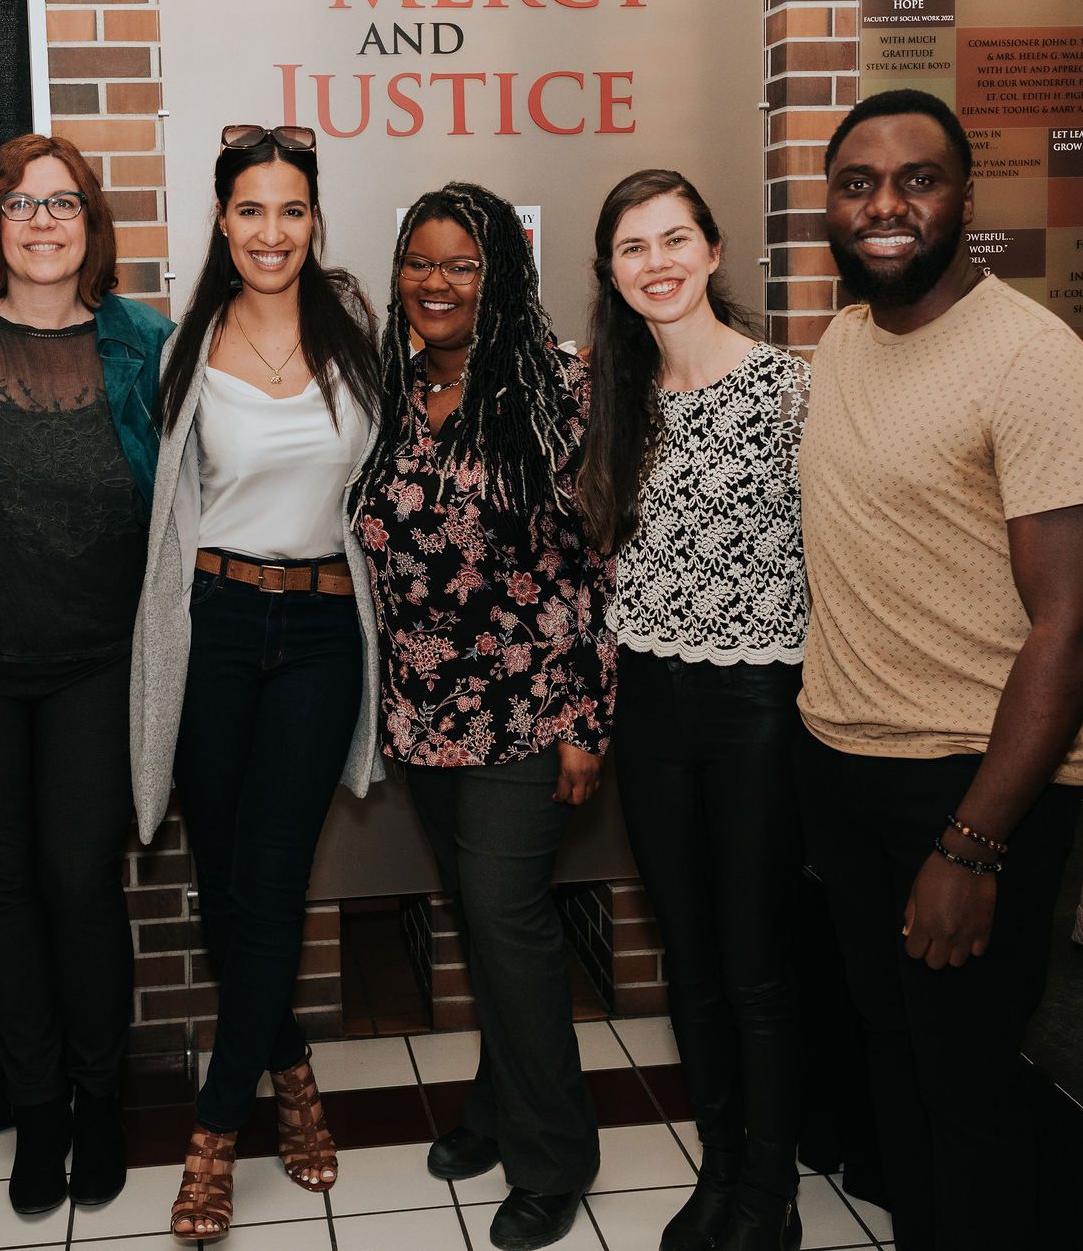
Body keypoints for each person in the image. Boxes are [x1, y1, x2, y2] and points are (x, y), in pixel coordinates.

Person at [800, 88, 1083, 1251]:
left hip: (970, 787)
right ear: (827, 206)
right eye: (857, 184)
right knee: (895, 1065)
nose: (884, 205)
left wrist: (971, 843)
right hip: (846, 771)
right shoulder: (843, 338)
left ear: (963, 200)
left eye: (916, 179)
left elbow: (1075, 628)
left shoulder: (1033, 364)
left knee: (970, 1091)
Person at [0, 133, 175, 1217]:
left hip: (97, 663)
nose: (42, 221)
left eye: (62, 203)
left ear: (90, 223)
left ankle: (98, 1099)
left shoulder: (143, 338)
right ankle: (37, 1114)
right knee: (0, 891)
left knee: (79, 885)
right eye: (18, 203)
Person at [129, 124, 382, 1241]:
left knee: (271, 876)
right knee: (224, 875)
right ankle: (287, 1064)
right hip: (215, 625)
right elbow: (167, 506)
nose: (270, 232)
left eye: (290, 210)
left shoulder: (358, 333)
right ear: (221, 223)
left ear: (311, 219)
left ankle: (215, 1129)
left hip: (325, 632)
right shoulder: (184, 345)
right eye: (249, 211)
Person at [353, 182, 615, 1251]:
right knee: (479, 918)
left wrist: (586, 720)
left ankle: (556, 1155)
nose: (435, 282)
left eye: (462, 263)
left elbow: (599, 566)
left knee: (507, 924)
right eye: (419, 260)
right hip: (422, 710)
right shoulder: (392, 384)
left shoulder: (559, 390)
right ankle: (493, 1108)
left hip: (528, 705)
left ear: (500, 274)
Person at [579, 170, 809, 1251]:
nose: (656, 262)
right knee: (685, 947)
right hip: (648, 701)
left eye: (674, 239)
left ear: (713, 253)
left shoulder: (787, 388)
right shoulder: (607, 398)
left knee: (752, 950)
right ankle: (717, 1167)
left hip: (758, 696)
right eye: (633, 247)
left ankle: (771, 1189)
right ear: (610, 273)